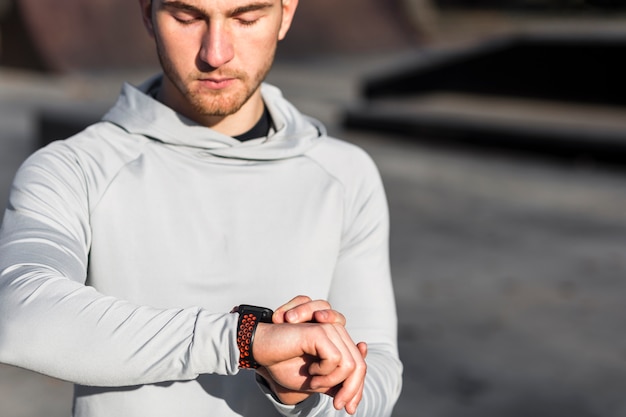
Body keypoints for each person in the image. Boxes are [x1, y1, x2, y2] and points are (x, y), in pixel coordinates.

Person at [0, 0, 403, 416]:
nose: (215, 54)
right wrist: (242, 341)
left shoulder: (345, 174)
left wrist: (304, 396)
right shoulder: (75, 168)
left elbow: (376, 375)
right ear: (146, 12)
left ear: (286, 12)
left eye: (246, 18)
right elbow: (19, 312)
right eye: (186, 17)